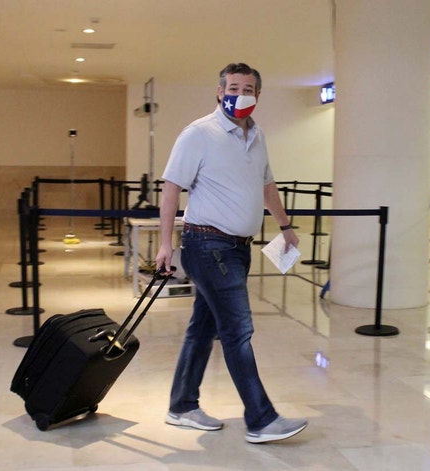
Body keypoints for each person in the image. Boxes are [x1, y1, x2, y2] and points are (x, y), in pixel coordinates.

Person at [154, 62, 307, 444]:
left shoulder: (257, 136)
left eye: (249, 87)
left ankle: (182, 406)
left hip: (238, 249)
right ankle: (261, 418)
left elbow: (267, 184)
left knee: (202, 330)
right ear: (220, 91)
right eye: (234, 86)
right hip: (208, 245)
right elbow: (171, 188)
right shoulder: (199, 134)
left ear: (258, 95)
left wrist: (285, 227)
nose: (241, 92)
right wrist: (164, 243)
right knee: (238, 331)